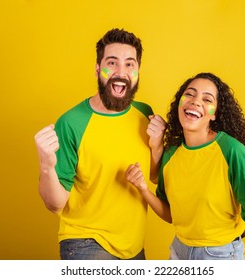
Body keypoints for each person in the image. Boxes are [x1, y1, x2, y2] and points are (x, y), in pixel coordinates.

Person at [34, 28, 166, 260]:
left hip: (134, 247)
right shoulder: (71, 123)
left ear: (137, 71)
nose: (121, 72)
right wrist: (46, 165)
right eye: (112, 63)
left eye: (129, 64)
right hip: (86, 242)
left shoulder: (145, 114)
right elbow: (55, 204)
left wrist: (157, 146)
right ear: (97, 69)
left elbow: (153, 176)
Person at [126, 72, 245, 260]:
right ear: (180, 103)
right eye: (190, 94)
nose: (196, 101)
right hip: (178, 251)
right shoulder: (171, 154)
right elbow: (172, 216)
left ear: (215, 114)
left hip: (220, 255)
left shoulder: (230, 150)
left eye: (207, 99)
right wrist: (144, 191)